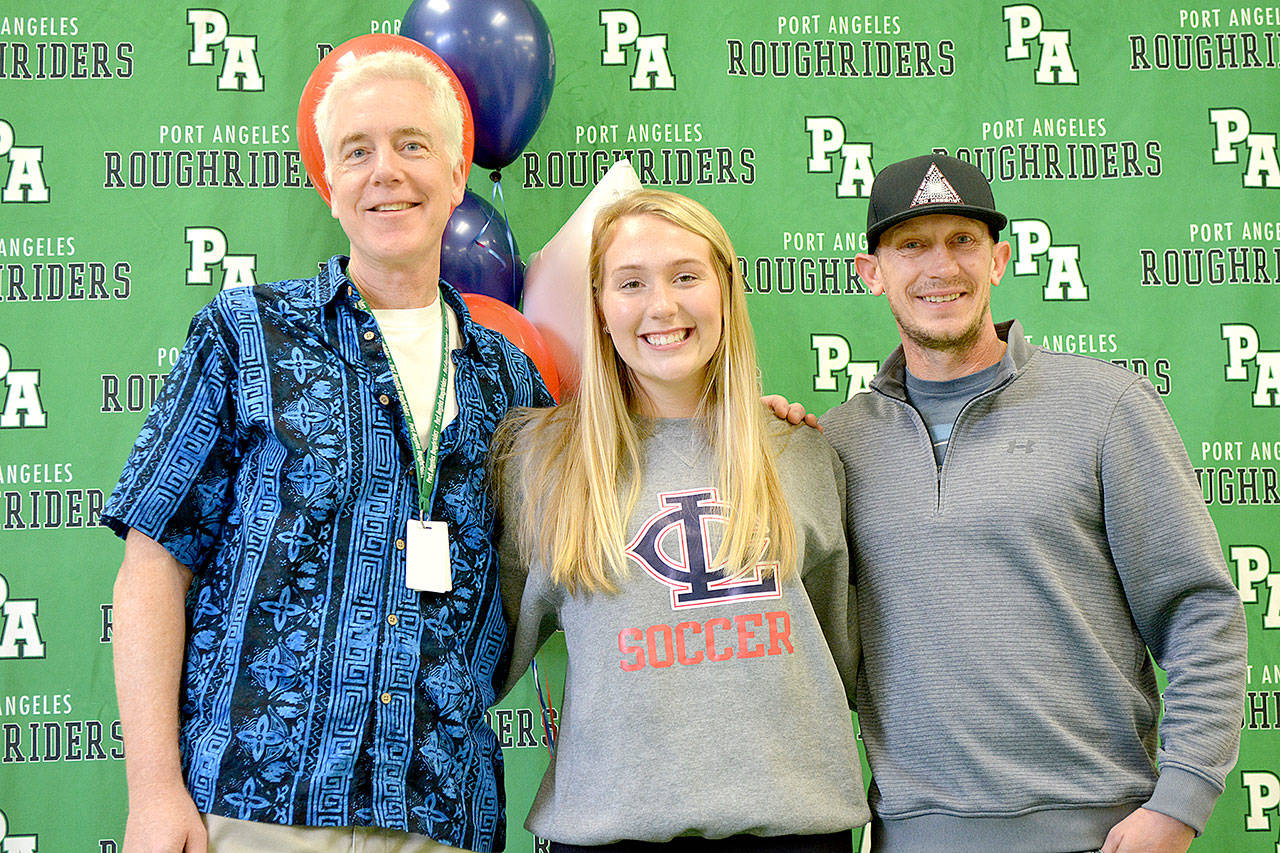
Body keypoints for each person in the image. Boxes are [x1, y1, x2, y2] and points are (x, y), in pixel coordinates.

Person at [103, 50, 552, 853]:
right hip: (251, 809)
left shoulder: (510, 377)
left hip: (440, 816)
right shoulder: (245, 335)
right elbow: (151, 567)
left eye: (412, 145)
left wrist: (741, 421)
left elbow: (604, 515)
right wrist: (153, 791)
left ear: (457, 176)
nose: (387, 172)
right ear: (329, 184)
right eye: (357, 150)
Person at [816, 153, 1248, 852]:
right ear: (872, 273)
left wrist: (1180, 803)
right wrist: (769, 440)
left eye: (963, 241)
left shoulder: (1108, 406)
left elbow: (1199, 612)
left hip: (1099, 832)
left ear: (998, 260)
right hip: (914, 837)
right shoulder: (837, 442)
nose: (940, 267)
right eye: (912, 245)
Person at [492, 189, 868, 852]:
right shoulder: (541, 464)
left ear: (726, 290)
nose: (662, 306)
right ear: (600, 306)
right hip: (611, 834)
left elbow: (846, 655)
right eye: (631, 283)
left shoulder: (803, 453)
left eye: (686, 276)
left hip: (794, 832)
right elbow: (478, 662)